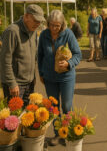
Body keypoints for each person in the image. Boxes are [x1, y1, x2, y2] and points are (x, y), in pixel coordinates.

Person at [38, 10, 81, 146]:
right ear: (48, 23)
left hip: (66, 77)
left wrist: (69, 63)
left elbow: (77, 54)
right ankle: (58, 134)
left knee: (67, 105)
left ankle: (69, 132)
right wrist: (41, 73)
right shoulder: (44, 35)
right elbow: (40, 56)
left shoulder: (68, 33)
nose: (54, 28)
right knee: (54, 107)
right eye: (52, 25)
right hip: (49, 77)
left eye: (57, 25)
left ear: (62, 24)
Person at [0, 4, 45, 106]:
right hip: (15, 85)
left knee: (26, 115)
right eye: (35, 20)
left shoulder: (33, 31)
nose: (38, 24)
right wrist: (12, 83)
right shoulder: (12, 31)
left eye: (40, 21)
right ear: (26, 16)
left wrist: (33, 77)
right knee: (13, 119)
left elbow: (33, 56)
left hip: (29, 83)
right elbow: (4, 60)